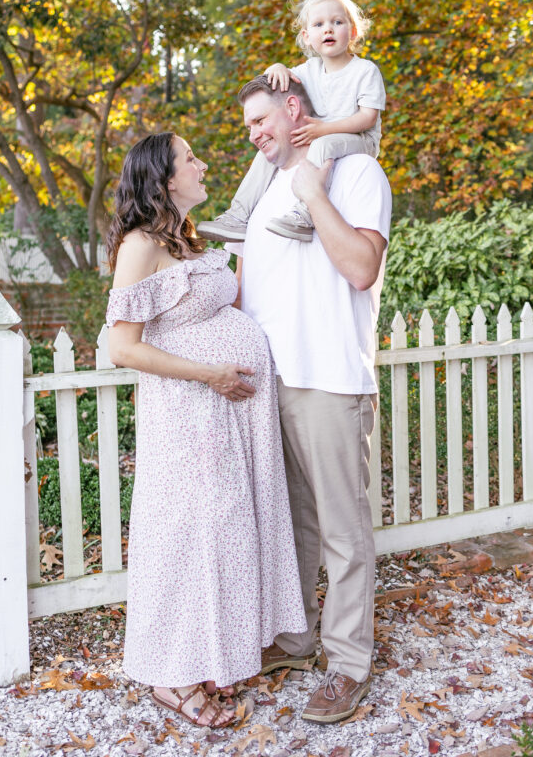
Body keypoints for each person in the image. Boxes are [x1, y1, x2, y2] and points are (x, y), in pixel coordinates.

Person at [105, 132, 307, 729]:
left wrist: (283, 98)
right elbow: (122, 347)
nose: (202, 163)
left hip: (227, 416)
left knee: (222, 538)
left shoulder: (189, 238)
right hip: (187, 416)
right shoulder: (141, 246)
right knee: (187, 538)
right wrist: (210, 374)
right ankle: (170, 677)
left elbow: (261, 179)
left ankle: (208, 657)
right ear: (165, 179)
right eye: (190, 158)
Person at [227, 76, 392, 724]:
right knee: (290, 526)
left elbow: (359, 268)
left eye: (260, 120)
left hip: (329, 379)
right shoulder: (262, 192)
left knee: (342, 534)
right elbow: (249, 291)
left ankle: (347, 663)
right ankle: (295, 639)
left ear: (293, 108)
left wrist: (313, 195)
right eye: (247, 127)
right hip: (271, 383)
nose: (254, 134)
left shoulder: (354, 173)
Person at [197, 0, 386, 244]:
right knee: (269, 152)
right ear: (307, 37)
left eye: (337, 22)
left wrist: (323, 130)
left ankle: (305, 213)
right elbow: (279, 74)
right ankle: (238, 216)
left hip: (359, 140)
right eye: (319, 24)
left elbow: (368, 119)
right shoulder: (310, 69)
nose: (328, 29)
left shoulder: (365, 71)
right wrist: (275, 67)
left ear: (352, 31)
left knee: (322, 144)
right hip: (319, 135)